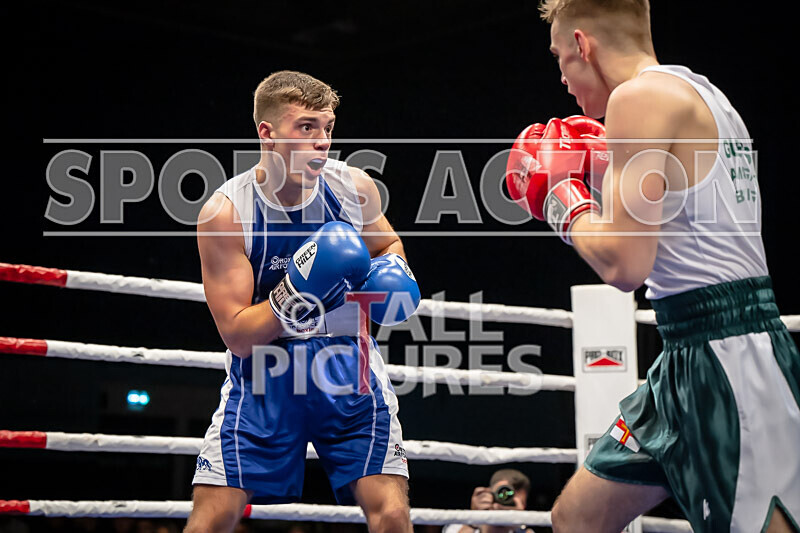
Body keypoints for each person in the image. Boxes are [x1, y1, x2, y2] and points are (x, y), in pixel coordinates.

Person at [505, 1, 800, 531]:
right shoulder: (703, 94)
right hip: (687, 354)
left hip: (728, 362)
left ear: (581, 44)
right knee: (577, 520)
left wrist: (561, 200)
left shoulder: (638, 100)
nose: (563, 77)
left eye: (558, 58)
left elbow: (624, 265)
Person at [185, 71, 419, 533]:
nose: (321, 141)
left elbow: (389, 246)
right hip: (266, 374)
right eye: (306, 127)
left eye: (327, 128)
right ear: (267, 133)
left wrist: (390, 276)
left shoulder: (353, 187)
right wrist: (299, 290)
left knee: (391, 513)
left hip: (349, 369)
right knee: (214, 517)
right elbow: (236, 333)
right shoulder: (227, 212)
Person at [443, 469, 535, 533]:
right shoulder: (458, 527)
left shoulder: (525, 531)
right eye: (502, 495)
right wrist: (474, 520)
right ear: (489, 494)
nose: (506, 504)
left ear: (523, 506)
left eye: (513, 503)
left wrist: (517, 525)